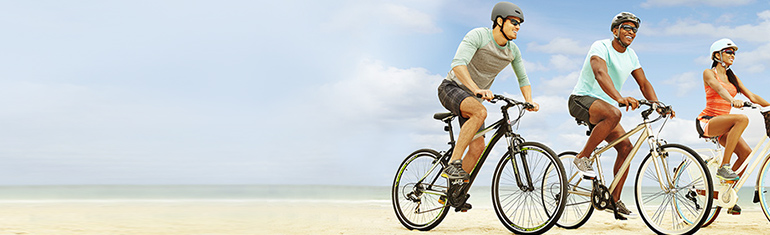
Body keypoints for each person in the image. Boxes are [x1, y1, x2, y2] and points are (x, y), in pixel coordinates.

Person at [567, 12, 671, 216]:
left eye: (634, 30)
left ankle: (614, 200)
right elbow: (600, 73)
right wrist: (619, 97)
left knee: (626, 148)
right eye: (626, 27)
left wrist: (657, 104)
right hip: (581, 100)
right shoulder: (601, 47)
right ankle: (582, 157)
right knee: (614, 113)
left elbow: (643, 83)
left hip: (605, 109)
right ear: (615, 30)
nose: (631, 32)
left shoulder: (631, 56)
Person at [437, 2, 539, 191]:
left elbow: (523, 78)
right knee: (480, 111)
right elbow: (458, 64)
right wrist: (476, 89)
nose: (518, 27)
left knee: (477, 148)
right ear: (499, 21)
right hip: (451, 87)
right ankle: (453, 163)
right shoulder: (479, 36)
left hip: (473, 97)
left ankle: (453, 193)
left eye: (520, 24)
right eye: (514, 22)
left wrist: (528, 100)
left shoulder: (512, 51)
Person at [696, 38, 770, 215]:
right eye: (728, 52)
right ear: (717, 55)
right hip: (708, 121)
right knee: (742, 119)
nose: (732, 55)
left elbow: (751, 95)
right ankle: (724, 166)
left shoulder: (732, 77)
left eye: (734, 53)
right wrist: (732, 100)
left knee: (746, 155)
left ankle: (726, 194)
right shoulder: (708, 73)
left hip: (726, 125)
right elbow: (719, 90)